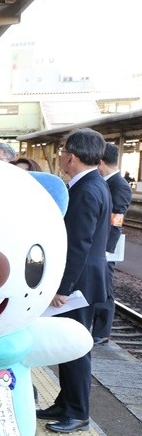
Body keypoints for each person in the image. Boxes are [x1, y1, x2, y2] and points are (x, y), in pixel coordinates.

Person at [36, 128, 111, 433]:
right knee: (68, 347)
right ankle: (65, 403)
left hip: (78, 287)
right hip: (85, 281)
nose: (62, 156)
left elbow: (78, 244)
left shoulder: (87, 190)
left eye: (64, 151)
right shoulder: (93, 184)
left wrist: (62, 288)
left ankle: (78, 412)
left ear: (72, 156)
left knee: (75, 348)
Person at [92, 143, 133, 343]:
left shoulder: (120, 186)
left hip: (105, 248)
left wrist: (107, 250)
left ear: (100, 161)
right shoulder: (105, 182)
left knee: (105, 287)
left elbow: (116, 220)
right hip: (98, 245)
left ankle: (101, 332)